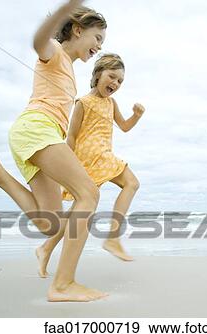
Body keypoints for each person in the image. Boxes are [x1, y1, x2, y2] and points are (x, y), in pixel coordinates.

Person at [0, 0, 108, 302]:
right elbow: (37, 41)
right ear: (78, 29)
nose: (99, 47)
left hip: (40, 134)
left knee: (48, 223)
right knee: (89, 194)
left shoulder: (68, 68)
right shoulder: (54, 52)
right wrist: (67, 7)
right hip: (35, 129)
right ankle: (63, 284)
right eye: (97, 39)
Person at [38, 53, 145, 274]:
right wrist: (67, 168)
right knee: (132, 183)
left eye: (120, 81)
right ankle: (113, 238)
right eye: (112, 76)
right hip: (87, 157)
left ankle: (46, 248)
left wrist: (136, 116)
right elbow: (72, 136)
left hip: (103, 155)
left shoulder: (111, 103)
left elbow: (124, 127)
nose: (115, 83)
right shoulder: (83, 102)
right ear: (97, 74)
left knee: (79, 209)